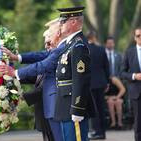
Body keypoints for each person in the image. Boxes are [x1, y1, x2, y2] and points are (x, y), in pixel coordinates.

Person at [0, 19, 67, 141]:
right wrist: (16, 59)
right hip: (49, 107)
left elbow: (42, 66)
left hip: (56, 105)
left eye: (50, 38)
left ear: (58, 33)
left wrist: (15, 73)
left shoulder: (62, 49)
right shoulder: (55, 51)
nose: (48, 44)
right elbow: (39, 57)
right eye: (46, 42)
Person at [54, 6, 95, 141]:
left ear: (73, 22)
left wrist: (77, 108)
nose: (60, 24)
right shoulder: (69, 44)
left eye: (63, 21)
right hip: (65, 104)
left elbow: (80, 79)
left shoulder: (78, 46)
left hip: (73, 105)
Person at [21, 28, 56, 141]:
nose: (46, 46)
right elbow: (35, 77)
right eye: (45, 43)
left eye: (49, 43)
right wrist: (13, 77)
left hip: (51, 111)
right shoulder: (49, 58)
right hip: (45, 111)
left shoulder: (56, 59)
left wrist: (22, 97)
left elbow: (45, 87)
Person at [86, 31, 109, 140]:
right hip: (101, 82)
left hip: (90, 83)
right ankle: (103, 132)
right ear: (94, 38)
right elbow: (106, 67)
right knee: (101, 108)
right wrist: (107, 82)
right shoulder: (101, 49)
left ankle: (96, 131)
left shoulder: (85, 50)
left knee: (93, 108)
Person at [121, 27, 141, 141]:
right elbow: (122, 72)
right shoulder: (129, 52)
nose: (140, 38)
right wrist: (134, 76)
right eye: (138, 36)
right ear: (134, 38)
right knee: (138, 122)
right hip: (136, 92)